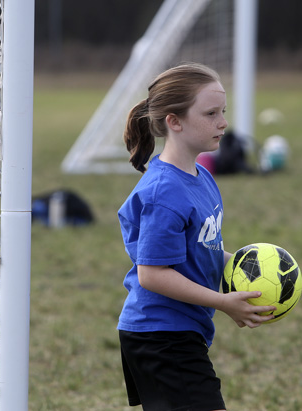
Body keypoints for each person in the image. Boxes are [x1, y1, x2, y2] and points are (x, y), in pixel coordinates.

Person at [117, 63, 275, 411]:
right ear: (174, 121)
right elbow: (152, 274)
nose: (223, 122)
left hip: (178, 331)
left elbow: (204, 248)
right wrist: (222, 302)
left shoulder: (201, 175)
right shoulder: (164, 192)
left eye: (223, 111)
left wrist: (244, 266)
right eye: (210, 113)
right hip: (160, 334)